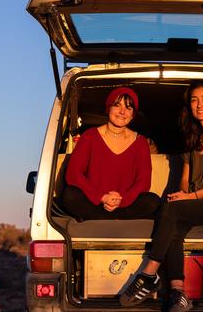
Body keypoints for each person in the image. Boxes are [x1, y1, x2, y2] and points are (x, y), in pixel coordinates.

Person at [119, 81, 203, 312]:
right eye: (194, 100)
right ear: (190, 106)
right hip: (194, 202)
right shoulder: (191, 137)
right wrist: (182, 194)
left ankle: (149, 273)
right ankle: (177, 292)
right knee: (172, 218)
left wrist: (190, 197)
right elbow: (185, 178)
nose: (199, 104)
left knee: (172, 212)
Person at [60, 86, 159, 220]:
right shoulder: (89, 136)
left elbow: (144, 182)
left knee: (152, 201)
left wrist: (121, 200)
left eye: (128, 108)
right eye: (117, 105)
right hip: (94, 202)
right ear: (108, 108)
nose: (122, 112)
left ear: (133, 114)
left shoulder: (140, 142)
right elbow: (73, 174)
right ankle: (111, 217)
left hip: (124, 205)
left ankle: (99, 218)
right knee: (69, 195)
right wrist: (102, 197)